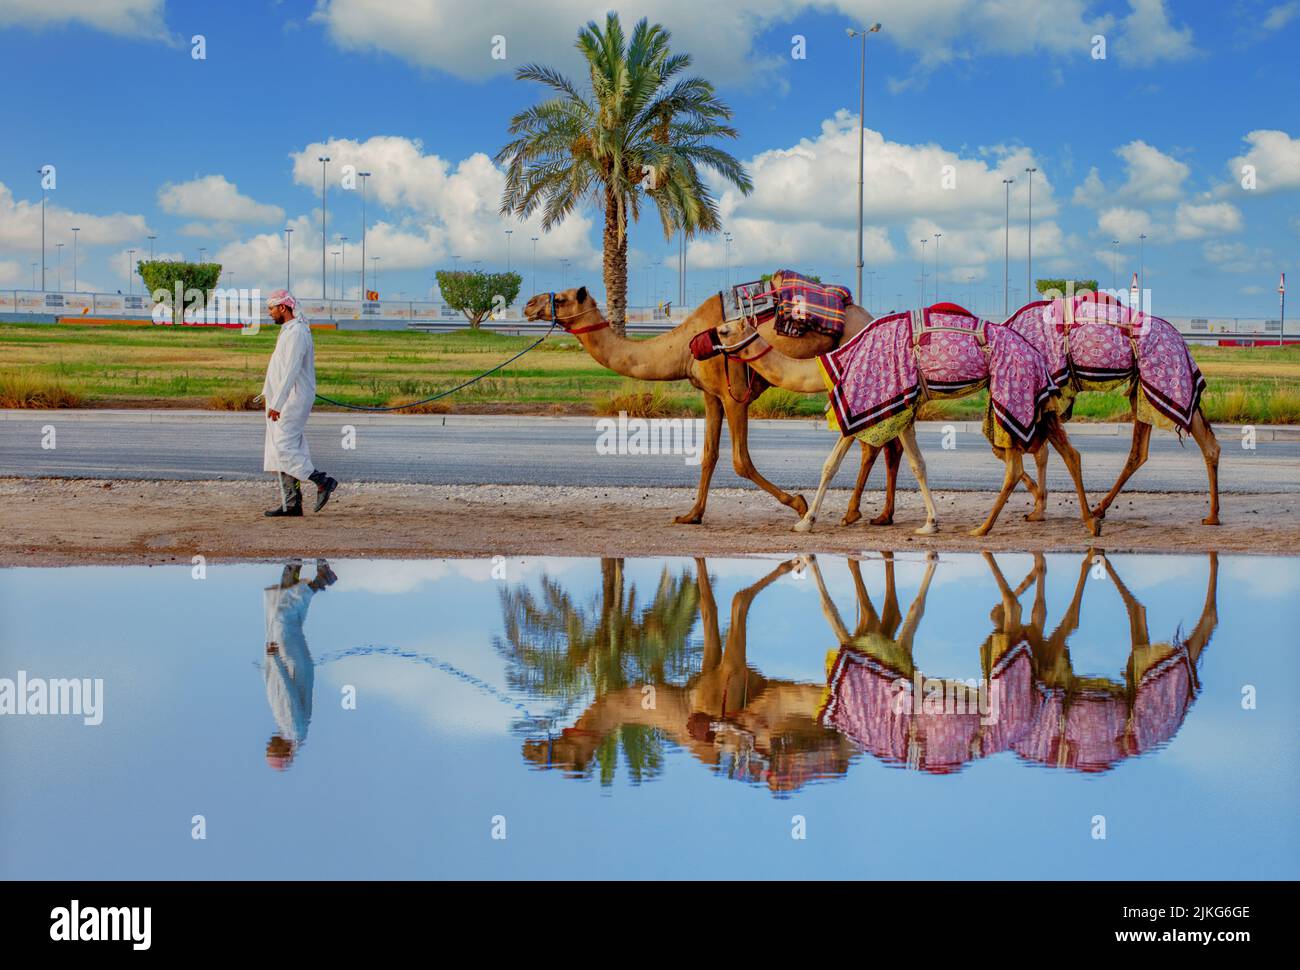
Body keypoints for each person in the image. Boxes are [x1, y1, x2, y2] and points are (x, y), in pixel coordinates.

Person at [260, 290, 338, 517]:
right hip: (282, 399)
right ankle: (292, 503)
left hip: (291, 399)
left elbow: (291, 371)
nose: (270, 313)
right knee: (283, 449)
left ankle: (322, 481)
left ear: (283, 308)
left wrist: (277, 402)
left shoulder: (297, 334)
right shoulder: (290, 331)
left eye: (272, 309)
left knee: (283, 447)